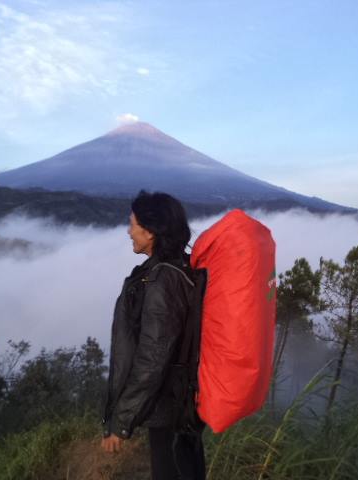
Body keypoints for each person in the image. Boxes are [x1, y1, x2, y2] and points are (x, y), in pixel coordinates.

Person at [100, 190, 206, 480]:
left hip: (170, 407)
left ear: (151, 231)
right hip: (179, 403)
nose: (129, 231)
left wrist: (122, 422)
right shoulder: (173, 269)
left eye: (133, 224)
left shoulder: (163, 280)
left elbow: (152, 358)